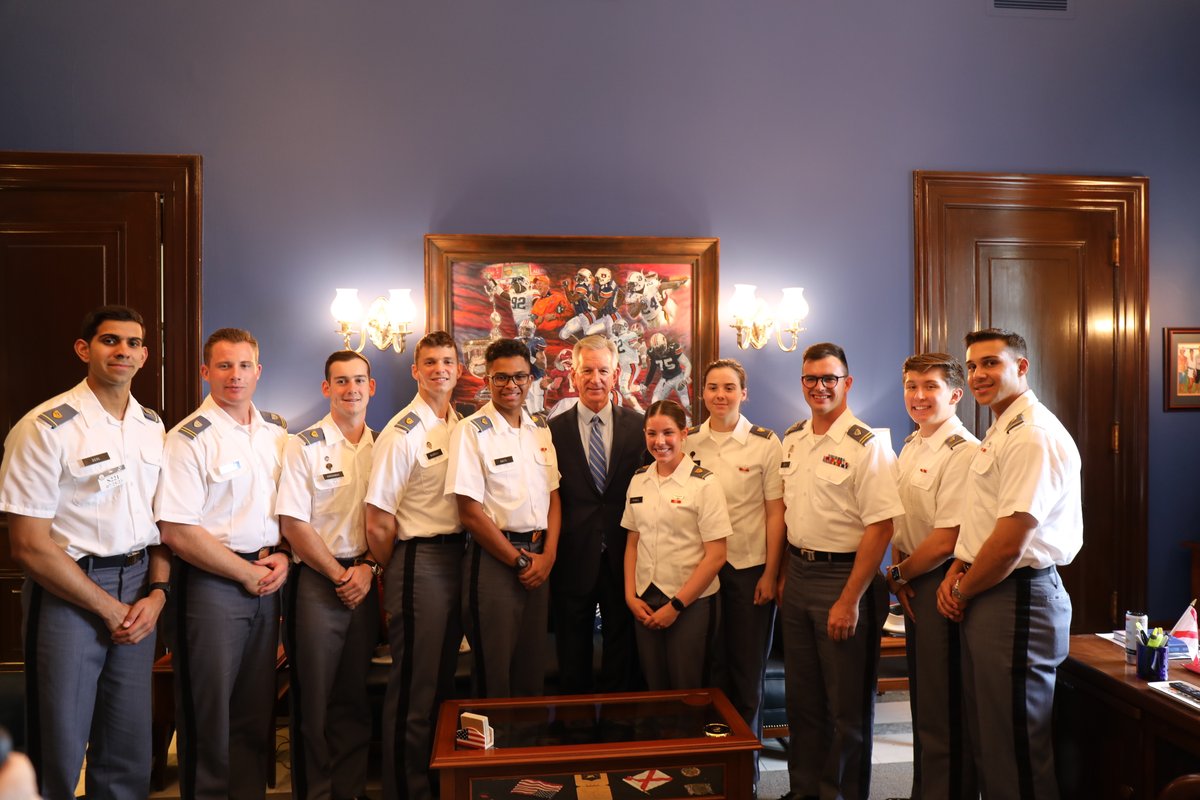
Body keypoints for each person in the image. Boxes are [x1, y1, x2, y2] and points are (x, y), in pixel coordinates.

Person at [0, 305, 169, 800]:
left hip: (139, 593)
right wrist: (106, 606)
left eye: (134, 343)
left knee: (128, 750)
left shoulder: (151, 426)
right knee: (59, 746)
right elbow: (28, 545)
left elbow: (162, 525)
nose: (124, 351)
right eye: (110, 341)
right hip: (69, 596)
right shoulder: (45, 427)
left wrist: (157, 593)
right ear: (84, 349)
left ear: (144, 355)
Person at [936, 328, 1081, 800]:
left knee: (1016, 749)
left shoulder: (1031, 435)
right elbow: (983, 524)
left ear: (1021, 367)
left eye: (991, 363)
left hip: (1017, 597)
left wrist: (960, 589)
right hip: (990, 591)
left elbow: (1011, 542)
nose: (979, 374)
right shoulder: (1001, 428)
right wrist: (959, 568)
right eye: (973, 365)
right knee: (991, 740)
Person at [156, 328, 290, 800]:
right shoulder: (188, 439)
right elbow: (176, 530)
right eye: (225, 366)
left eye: (245, 365)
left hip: (267, 581)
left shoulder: (277, 433)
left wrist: (284, 558)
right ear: (205, 371)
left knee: (255, 716)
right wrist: (245, 572)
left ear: (259, 370)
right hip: (212, 586)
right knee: (207, 715)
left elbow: (286, 510)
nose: (236, 375)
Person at [779, 342, 904, 800]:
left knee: (845, 707)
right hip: (799, 576)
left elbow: (881, 526)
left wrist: (850, 599)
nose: (819, 387)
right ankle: (804, 791)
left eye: (829, 378)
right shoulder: (793, 439)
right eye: (811, 379)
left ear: (846, 383)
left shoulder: (866, 446)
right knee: (803, 701)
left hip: (845, 579)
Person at [364, 331, 464, 800]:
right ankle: (406, 790)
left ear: (459, 369)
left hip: (457, 559)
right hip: (419, 560)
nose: (440, 369)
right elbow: (378, 521)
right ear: (415, 370)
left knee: (442, 683)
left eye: (448, 361)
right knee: (414, 691)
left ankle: (437, 782)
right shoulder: (402, 432)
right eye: (430, 362)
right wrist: (402, 565)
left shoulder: (460, 424)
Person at [275, 350, 378, 800]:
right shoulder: (304, 445)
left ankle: (350, 790)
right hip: (320, 583)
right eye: (340, 381)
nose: (351, 389)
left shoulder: (385, 444)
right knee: (314, 700)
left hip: (368, 579)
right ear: (326, 388)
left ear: (371, 387)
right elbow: (293, 524)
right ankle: (315, 793)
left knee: (354, 697)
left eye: (358, 380)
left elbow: (391, 518)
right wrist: (342, 575)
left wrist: (369, 569)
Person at [446, 337, 561, 697]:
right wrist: (519, 560)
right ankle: (492, 753)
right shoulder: (470, 431)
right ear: (487, 379)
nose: (511, 386)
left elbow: (554, 498)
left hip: (540, 560)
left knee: (531, 671)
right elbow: (469, 512)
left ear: (531, 379)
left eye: (519, 377)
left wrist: (549, 556)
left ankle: (526, 750)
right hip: (496, 563)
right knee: (494, 674)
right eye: (501, 378)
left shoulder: (539, 429)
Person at [888, 353, 980, 800]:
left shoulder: (963, 451)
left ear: (955, 395)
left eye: (930, 387)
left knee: (944, 706)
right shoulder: (912, 445)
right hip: (913, 579)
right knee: (924, 702)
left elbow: (948, 539)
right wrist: (902, 573)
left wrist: (897, 574)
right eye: (911, 386)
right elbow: (902, 520)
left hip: (943, 580)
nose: (918, 396)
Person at [686, 359, 783, 745]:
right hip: (700, 572)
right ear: (702, 393)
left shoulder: (765, 443)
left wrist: (770, 574)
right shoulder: (688, 441)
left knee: (746, 673)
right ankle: (711, 760)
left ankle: (748, 768)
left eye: (729, 388)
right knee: (709, 668)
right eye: (713, 387)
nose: (720, 395)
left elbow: (777, 514)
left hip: (748, 571)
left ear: (744, 393)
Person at [549, 336, 646, 694]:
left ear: (616, 374)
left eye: (603, 370)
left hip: (626, 557)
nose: (595, 379)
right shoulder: (550, 432)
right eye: (586, 370)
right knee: (572, 651)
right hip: (572, 557)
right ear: (573, 376)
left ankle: (619, 730)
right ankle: (575, 734)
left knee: (623, 649)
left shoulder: (640, 428)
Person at [621, 400, 731, 690]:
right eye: (651, 433)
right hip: (645, 599)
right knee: (655, 690)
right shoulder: (638, 481)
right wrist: (630, 596)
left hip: (690, 605)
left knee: (689, 691)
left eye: (668, 433)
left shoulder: (704, 484)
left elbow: (717, 556)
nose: (659, 442)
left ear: (684, 434)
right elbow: (633, 542)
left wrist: (677, 605)